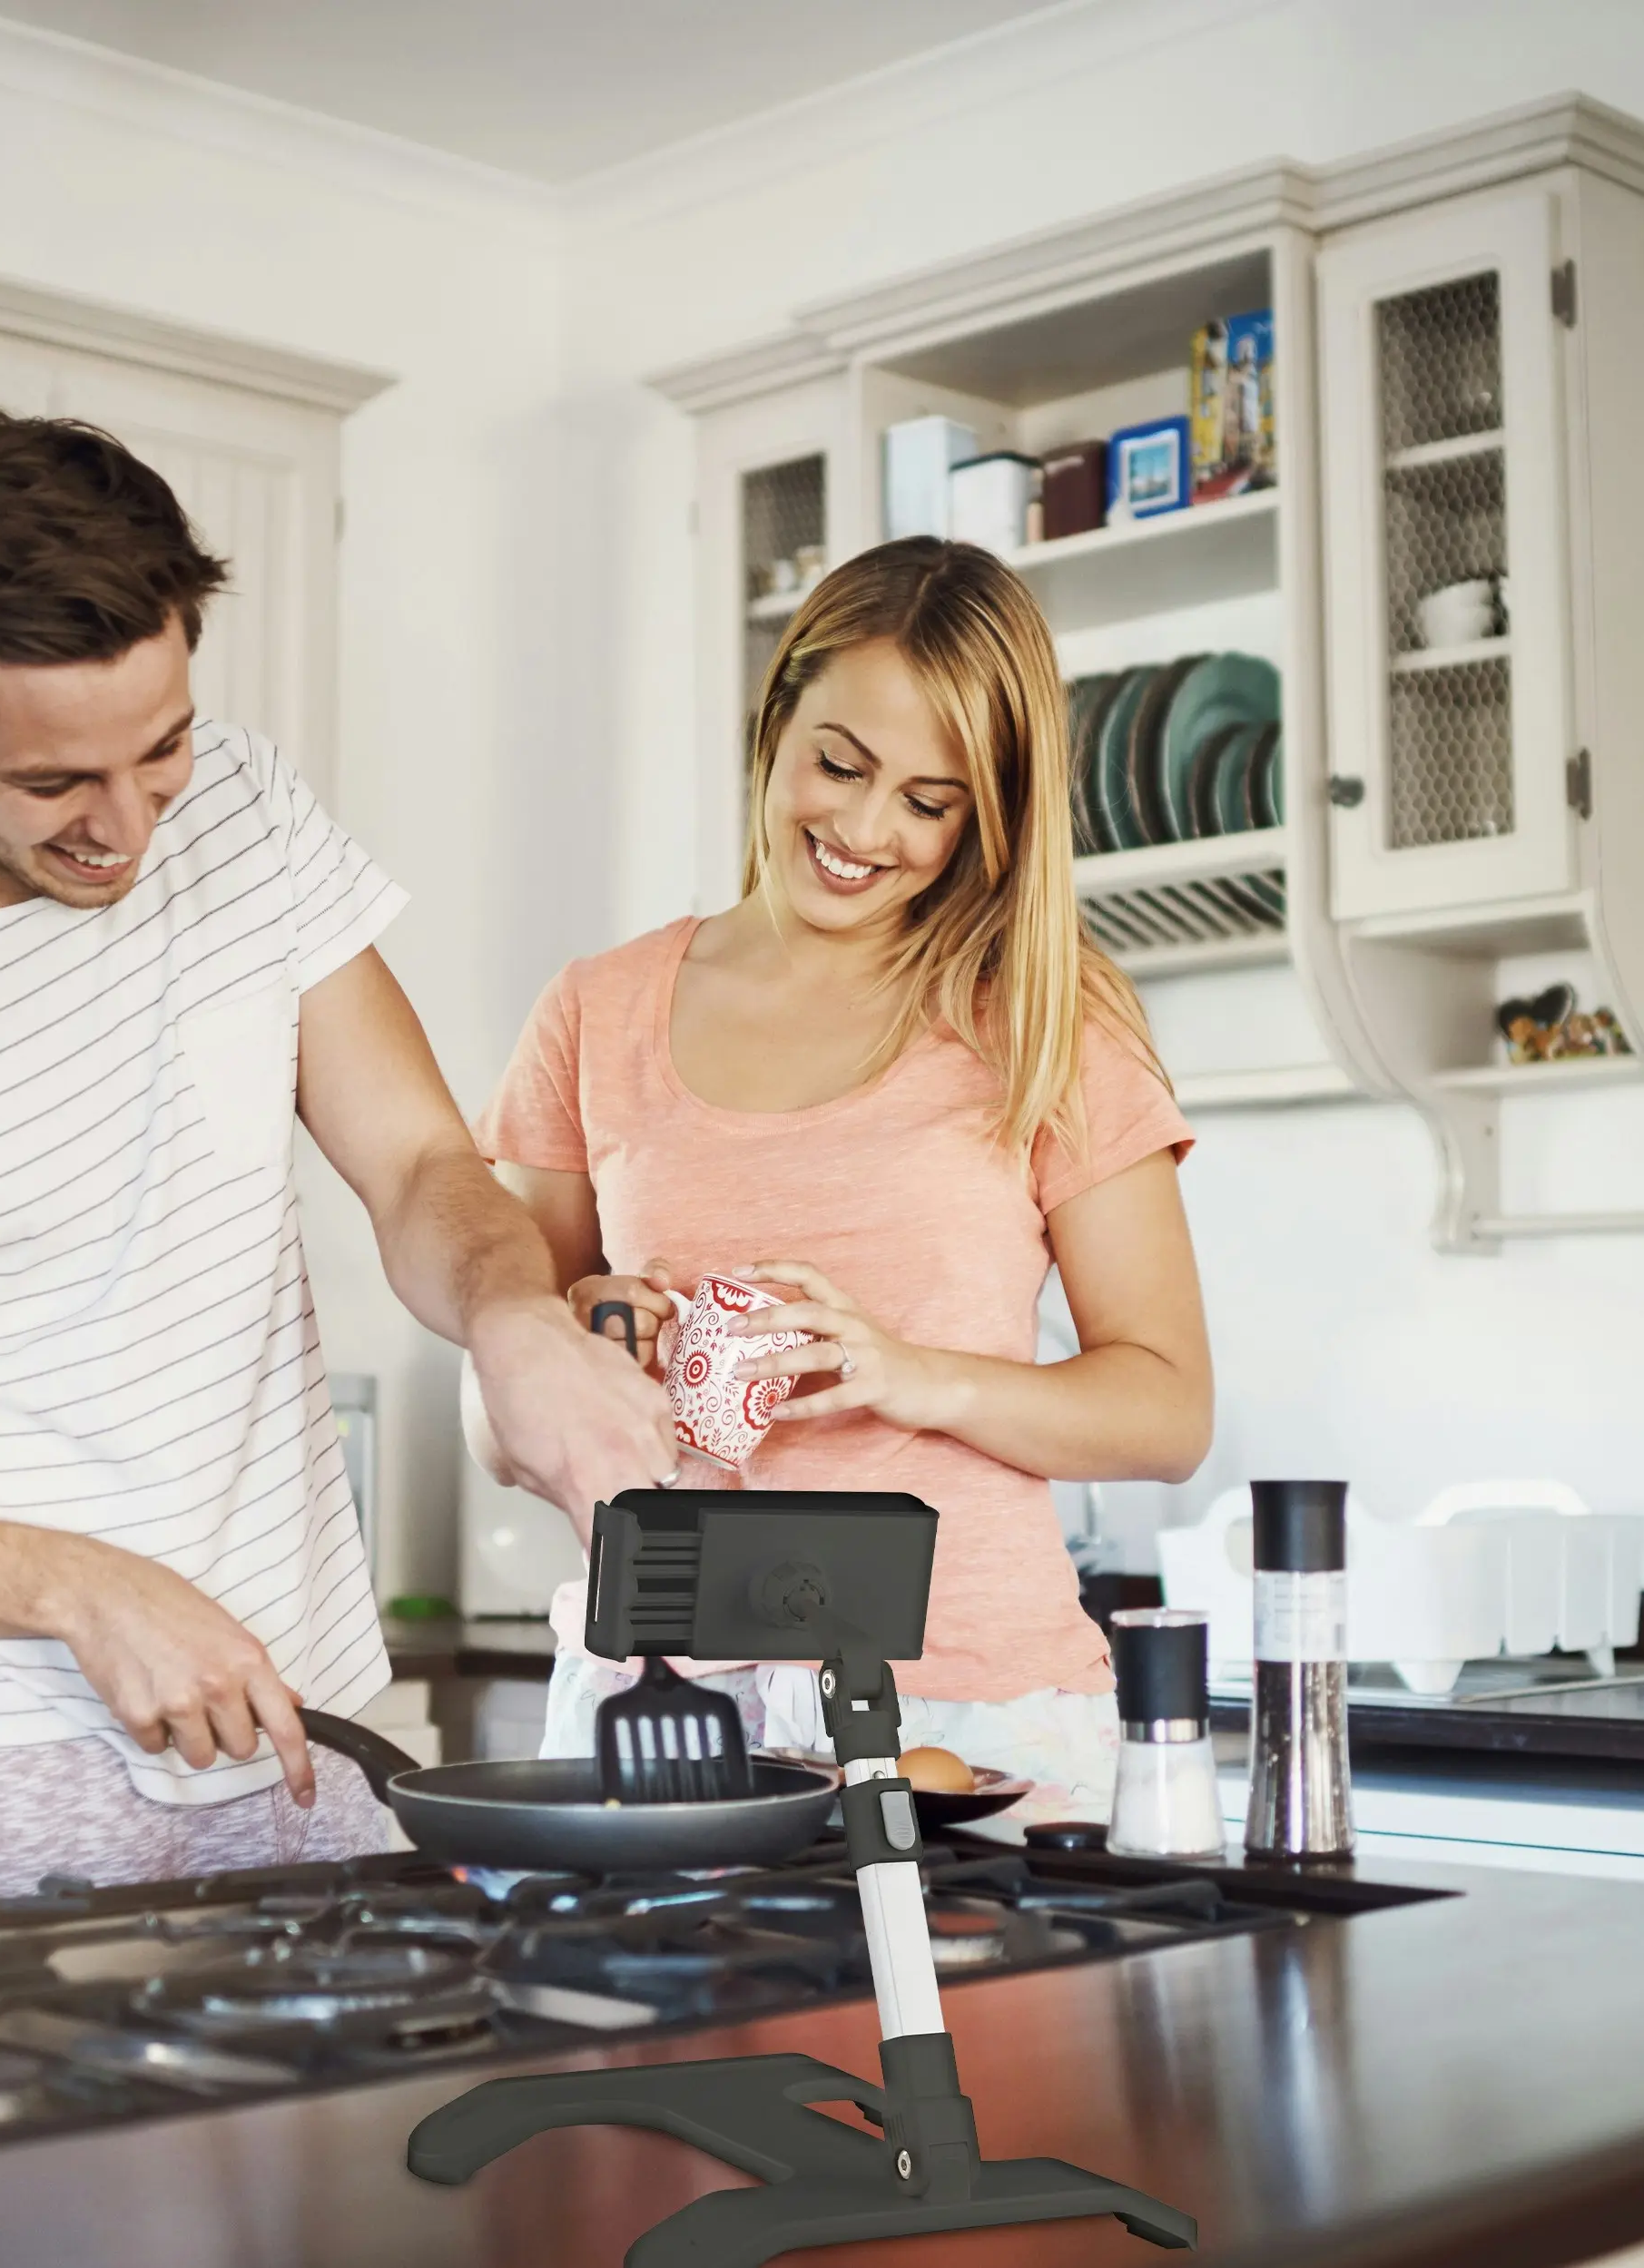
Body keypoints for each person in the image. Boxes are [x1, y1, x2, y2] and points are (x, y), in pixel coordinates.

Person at [0, 411, 674, 1915]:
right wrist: (74, 1586)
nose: (131, 824)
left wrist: (515, 1317)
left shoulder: (244, 812)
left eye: (162, 748)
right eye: (53, 784)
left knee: (342, 2160)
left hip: (316, 1736)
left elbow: (419, 1158)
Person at [468, 537, 1212, 1820]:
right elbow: (495, 1425)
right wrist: (589, 1333)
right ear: (776, 722)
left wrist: (909, 1371)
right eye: (841, 765)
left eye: (930, 802)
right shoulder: (597, 1011)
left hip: (969, 1711)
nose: (867, 831)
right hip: (666, 1708)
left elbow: (1167, 1408)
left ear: (991, 814)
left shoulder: (1042, 1016)